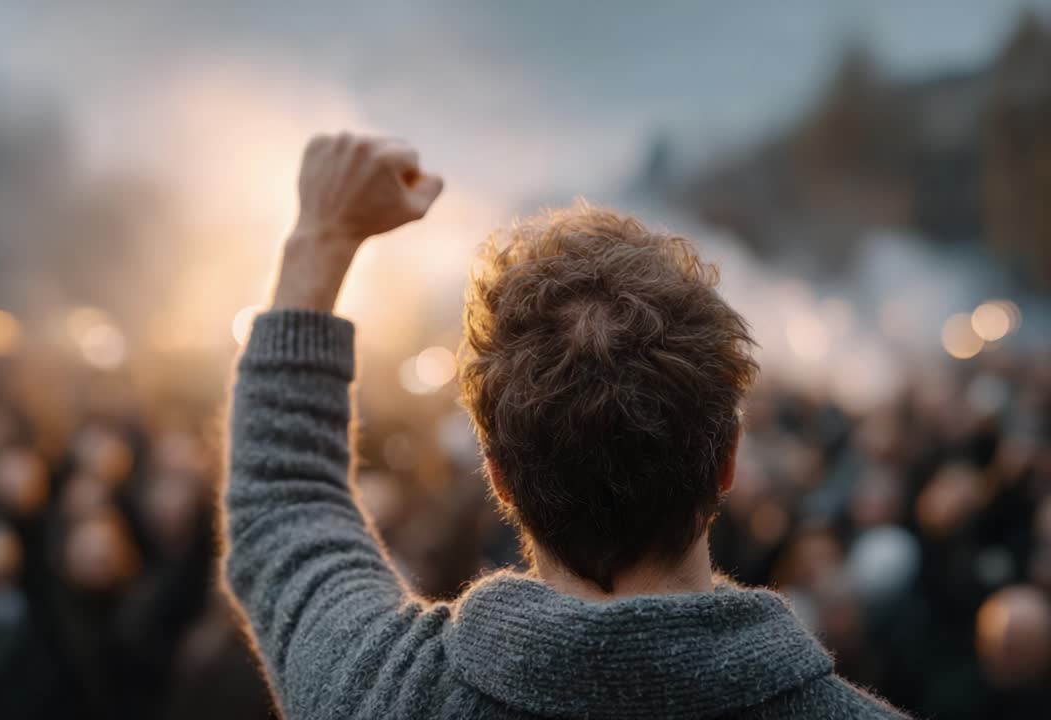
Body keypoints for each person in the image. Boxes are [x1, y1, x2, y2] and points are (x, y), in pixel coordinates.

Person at [225, 132, 911, 719]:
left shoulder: (391, 695)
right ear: (727, 459)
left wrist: (322, 237)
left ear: (499, 477)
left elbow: (284, 508)